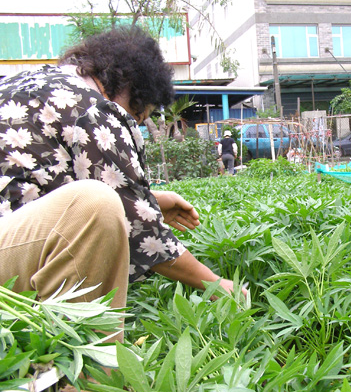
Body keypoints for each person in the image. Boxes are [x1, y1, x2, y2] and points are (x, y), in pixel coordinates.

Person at [0, 26, 245, 312]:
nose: (135, 125)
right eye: (139, 116)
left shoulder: (30, 83)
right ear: (132, 90)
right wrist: (217, 284)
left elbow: (43, 189)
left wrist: (147, 201)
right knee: (97, 205)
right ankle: (90, 348)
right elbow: (141, 232)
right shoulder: (92, 109)